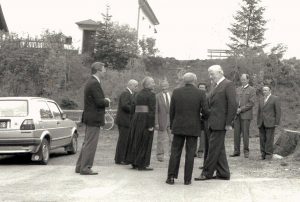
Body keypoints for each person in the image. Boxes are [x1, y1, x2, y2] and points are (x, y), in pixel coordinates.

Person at [195, 65, 237, 181]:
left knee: (213, 148)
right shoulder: (215, 86)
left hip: (220, 123)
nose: (210, 76)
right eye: (210, 74)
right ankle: (223, 173)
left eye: (212, 74)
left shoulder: (228, 84)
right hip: (212, 122)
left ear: (220, 72)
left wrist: (229, 122)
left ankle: (206, 173)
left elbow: (233, 105)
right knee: (219, 148)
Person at [166, 72, 208, 185]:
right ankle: (187, 179)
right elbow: (205, 111)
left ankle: (170, 177)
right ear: (194, 80)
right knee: (190, 153)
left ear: (184, 81)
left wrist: (172, 124)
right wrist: (202, 118)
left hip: (178, 126)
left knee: (175, 152)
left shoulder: (176, 91)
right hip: (193, 126)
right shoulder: (200, 93)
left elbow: (172, 111)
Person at [75, 62, 110, 175]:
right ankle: (85, 168)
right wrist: (107, 101)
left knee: (87, 142)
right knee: (91, 144)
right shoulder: (95, 83)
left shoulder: (91, 82)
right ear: (98, 70)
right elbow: (99, 102)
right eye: (104, 69)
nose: (105, 71)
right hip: (94, 118)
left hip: (90, 117)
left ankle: (80, 166)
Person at [125, 76, 156, 171]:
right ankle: (142, 164)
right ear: (147, 84)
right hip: (145, 118)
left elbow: (133, 107)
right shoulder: (151, 95)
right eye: (152, 82)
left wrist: (133, 119)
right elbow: (151, 110)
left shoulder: (137, 94)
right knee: (145, 141)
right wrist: (151, 125)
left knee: (136, 139)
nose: (154, 84)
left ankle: (134, 162)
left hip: (137, 117)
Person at [230, 74, 256, 158]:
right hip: (237, 115)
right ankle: (236, 151)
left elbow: (251, 103)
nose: (243, 81)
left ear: (248, 80)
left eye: (244, 79)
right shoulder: (237, 89)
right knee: (236, 134)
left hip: (246, 115)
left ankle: (246, 151)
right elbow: (234, 101)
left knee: (245, 134)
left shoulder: (252, 90)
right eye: (242, 79)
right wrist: (235, 110)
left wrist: (241, 109)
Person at [114, 79, 139, 165]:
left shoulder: (130, 94)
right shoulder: (125, 93)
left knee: (124, 140)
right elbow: (125, 105)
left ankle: (121, 158)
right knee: (123, 140)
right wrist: (135, 109)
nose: (137, 88)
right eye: (136, 86)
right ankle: (120, 159)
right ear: (130, 85)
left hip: (126, 121)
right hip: (124, 121)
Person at [257, 85, 281, 160]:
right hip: (261, 123)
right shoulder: (261, 99)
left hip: (270, 122)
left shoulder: (275, 99)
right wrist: (258, 121)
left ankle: (268, 154)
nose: (264, 91)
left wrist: (276, 122)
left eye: (266, 90)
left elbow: (278, 111)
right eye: (263, 90)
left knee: (269, 139)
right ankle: (263, 154)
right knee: (262, 139)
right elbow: (259, 112)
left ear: (270, 91)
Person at [155, 80, 172, 162]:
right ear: (160, 87)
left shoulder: (172, 95)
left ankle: (172, 154)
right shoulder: (157, 96)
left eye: (165, 85)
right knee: (160, 139)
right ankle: (160, 155)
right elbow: (155, 111)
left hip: (172, 120)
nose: (164, 87)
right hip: (162, 120)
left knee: (172, 138)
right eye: (162, 86)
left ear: (168, 85)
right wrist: (156, 122)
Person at [195, 82, 209, 159]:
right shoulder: (195, 96)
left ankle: (200, 151)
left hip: (204, 119)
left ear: (205, 89)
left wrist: (202, 114)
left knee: (203, 136)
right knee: (194, 135)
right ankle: (193, 151)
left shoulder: (207, 96)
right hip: (195, 118)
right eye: (200, 87)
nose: (201, 89)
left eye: (203, 88)